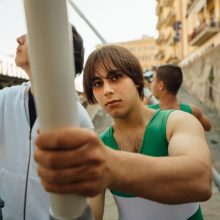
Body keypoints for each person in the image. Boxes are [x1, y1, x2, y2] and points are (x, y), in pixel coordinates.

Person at [35, 45, 212, 220]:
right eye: (97, 83)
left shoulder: (176, 121)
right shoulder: (101, 145)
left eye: (115, 77)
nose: (107, 90)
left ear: (137, 80)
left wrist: (107, 166)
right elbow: (93, 215)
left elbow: (200, 181)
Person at [0, 25, 93, 220]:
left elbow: (85, 198)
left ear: (54, 50)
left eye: (31, 34)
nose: (19, 38)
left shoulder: (79, 120)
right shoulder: (4, 100)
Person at [149, 64, 212, 131]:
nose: (151, 84)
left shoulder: (148, 112)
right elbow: (208, 127)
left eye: (153, 80)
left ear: (161, 85)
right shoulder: (192, 111)